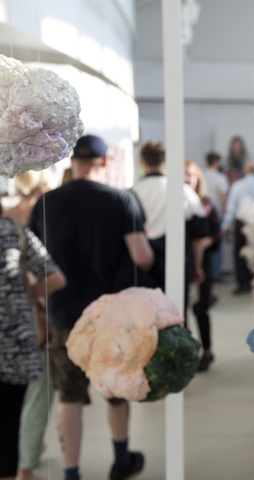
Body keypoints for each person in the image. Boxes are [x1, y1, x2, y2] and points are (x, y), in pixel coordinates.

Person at [29, 134, 155, 480]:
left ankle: (71, 473)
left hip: (64, 316)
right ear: (105, 162)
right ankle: (122, 460)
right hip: (111, 317)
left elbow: (31, 268)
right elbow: (141, 257)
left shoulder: (45, 204)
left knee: (69, 396)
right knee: (115, 390)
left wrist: (43, 303)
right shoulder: (122, 200)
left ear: (71, 161)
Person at [0, 202, 66, 480]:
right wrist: (24, 293)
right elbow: (56, 278)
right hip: (15, 343)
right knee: (8, 424)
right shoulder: (15, 230)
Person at [131, 140, 210, 316]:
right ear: (166, 162)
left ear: (143, 162)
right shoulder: (183, 191)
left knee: (147, 315)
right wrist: (197, 266)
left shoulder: (133, 192)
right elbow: (199, 236)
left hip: (143, 266)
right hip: (178, 262)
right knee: (177, 314)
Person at [184, 160, 221, 372]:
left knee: (201, 309)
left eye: (190, 174)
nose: (186, 178)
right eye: (183, 174)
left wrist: (201, 242)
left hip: (201, 265)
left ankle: (207, 350)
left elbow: (215, 234)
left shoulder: (206, 205)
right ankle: (187, 354)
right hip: (182, 264)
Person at [221, 159, 254, 295]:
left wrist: (225, 226)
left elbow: (231, 208)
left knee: (240, 254)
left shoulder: (237, 186)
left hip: (241, 223)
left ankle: (242, 284)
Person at [203, 152, 229, 281]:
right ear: (216, 162)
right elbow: (224, 197)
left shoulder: (201, 175)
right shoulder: (220, 178)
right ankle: (215, 275)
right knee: (216, 246)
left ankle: (206, 273)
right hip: (216, 216)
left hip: (202, 216)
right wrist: (225, 215)